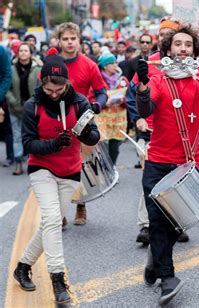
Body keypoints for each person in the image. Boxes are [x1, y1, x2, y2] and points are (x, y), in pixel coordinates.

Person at [135, 24, 199, 305]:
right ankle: (167, 278)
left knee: (177, 223)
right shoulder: (157, 76)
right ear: (168, 49)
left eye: (188, 45)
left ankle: (153, 260)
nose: (183, 48)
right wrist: (143, 87)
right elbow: (146, 109)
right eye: (177, 44)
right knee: (158, 221)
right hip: (158, 161)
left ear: (194, 50)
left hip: (191, 163)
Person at [13, 52, 99, 304]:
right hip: (42, 168)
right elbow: (28, 144)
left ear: (67, 84)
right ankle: (58, 280)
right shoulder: (33, 106)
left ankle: (22, 266)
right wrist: (52, 144)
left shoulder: (79, 102)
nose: (53, 93)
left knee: (49, 224)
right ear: (41, 83)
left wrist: (85, 134)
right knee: (52, 220)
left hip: (71, 169)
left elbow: (94, 136)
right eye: (49, 89)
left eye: (59, 89)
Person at [126, 16, 182, 245]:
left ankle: (176, 222)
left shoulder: (188, 64)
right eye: (162, 35)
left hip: (179, 135)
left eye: (170, 36)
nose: (165, 39)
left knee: (176, 183)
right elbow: (132, 94)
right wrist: (138, 118)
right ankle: (146, 225)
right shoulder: (147, 63)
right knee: (149, 180)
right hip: (150, 132)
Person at [56, 22, 108, 225]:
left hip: (82, 121)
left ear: (79, 41)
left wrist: (97, 105)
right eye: (65, 39)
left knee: (82, 167)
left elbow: (102, 92)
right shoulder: (53, 63)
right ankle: (59, 212)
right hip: (56, 120)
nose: (69, 43)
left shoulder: (90, 65)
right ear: (59, 41)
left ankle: (81, 205)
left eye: (73, 39)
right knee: (57, 167)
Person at [5, 43, 42, 175]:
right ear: (17, 53)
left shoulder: (37, 68)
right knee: (16, 136)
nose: (23, 53)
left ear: (30, 53)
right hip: (14, 107)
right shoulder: (11, 68)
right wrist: (13, 101)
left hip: (32, 108)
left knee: (33, 135)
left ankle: (34, 163)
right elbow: (6, 87)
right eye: (21, 50)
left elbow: (41, 87)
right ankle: (19, 163)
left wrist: (35, 102)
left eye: (26, 50)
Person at [95, 52, 128, 165]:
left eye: (115, 62)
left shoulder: (122, 80)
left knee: (115, 148)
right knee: (102, 146)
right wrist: (104, 103)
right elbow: (91, 98)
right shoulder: (97, 79)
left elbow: (130, 98)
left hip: (118, 121)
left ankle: (112, 168)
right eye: (112, 63)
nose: (115, 65)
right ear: (105, 66)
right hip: (102, 119)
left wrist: (122, 101)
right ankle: (104, 169)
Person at [0, 45, 13, 166]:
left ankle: (10, 156)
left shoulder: (1, 50)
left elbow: (7, 75)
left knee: (6, 127)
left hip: (1, 97)